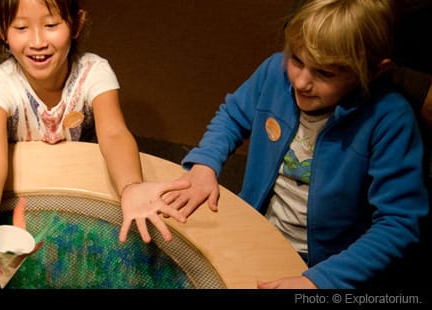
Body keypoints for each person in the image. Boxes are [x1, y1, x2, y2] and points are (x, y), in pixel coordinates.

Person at [0, 0, 190, 289]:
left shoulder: (94, 72)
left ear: (76, 23)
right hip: (20, 201)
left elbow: (114, 133)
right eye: (22, 27)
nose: (38, 42)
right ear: (2, 30)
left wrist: (130, 185)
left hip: (78, 194)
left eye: (51, 25)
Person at [165, 0, 429, 289]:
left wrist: (320, 280)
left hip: (327, 263)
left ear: (373, 71)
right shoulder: (273, 73)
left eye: (325, 73)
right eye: (297, 60)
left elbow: (398, 223)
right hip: (254, 226)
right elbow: (232, 116)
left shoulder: (390, 119)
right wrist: (205, 164)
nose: (301, 82)